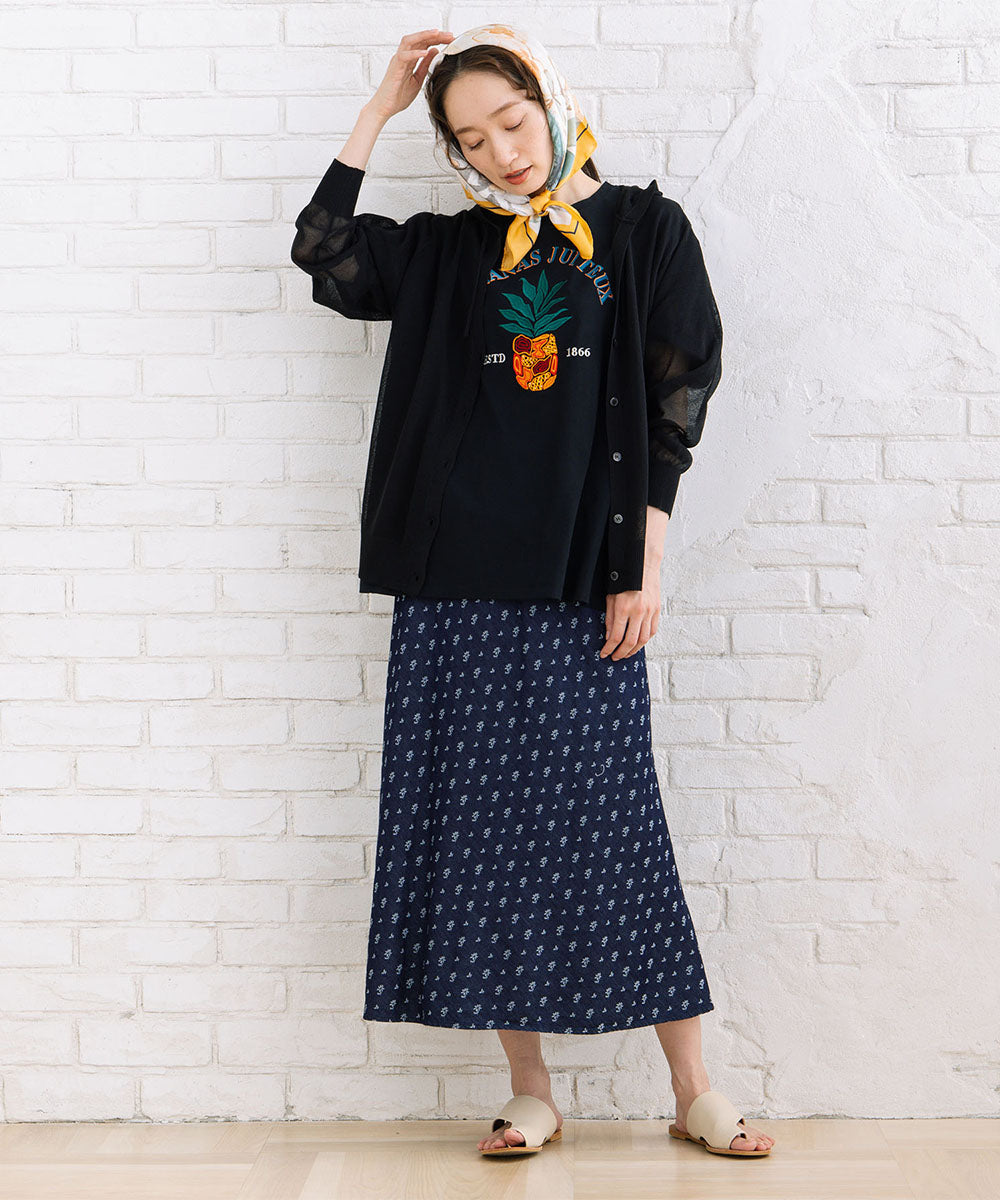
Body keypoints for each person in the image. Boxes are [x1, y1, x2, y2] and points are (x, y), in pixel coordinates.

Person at [290, 23, 774, 1160]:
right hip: (453, 580)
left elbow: (679, 397)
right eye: (471, 139)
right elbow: (327, 251)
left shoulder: (644, 229)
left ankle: (693, 1085)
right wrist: (379, 108)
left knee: (617, 828)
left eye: (512, 121)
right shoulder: (450, 250)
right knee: (484, 838)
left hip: (581, 580)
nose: (503, 151)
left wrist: (642, 563)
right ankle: (531, 1088)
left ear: (552, 104)